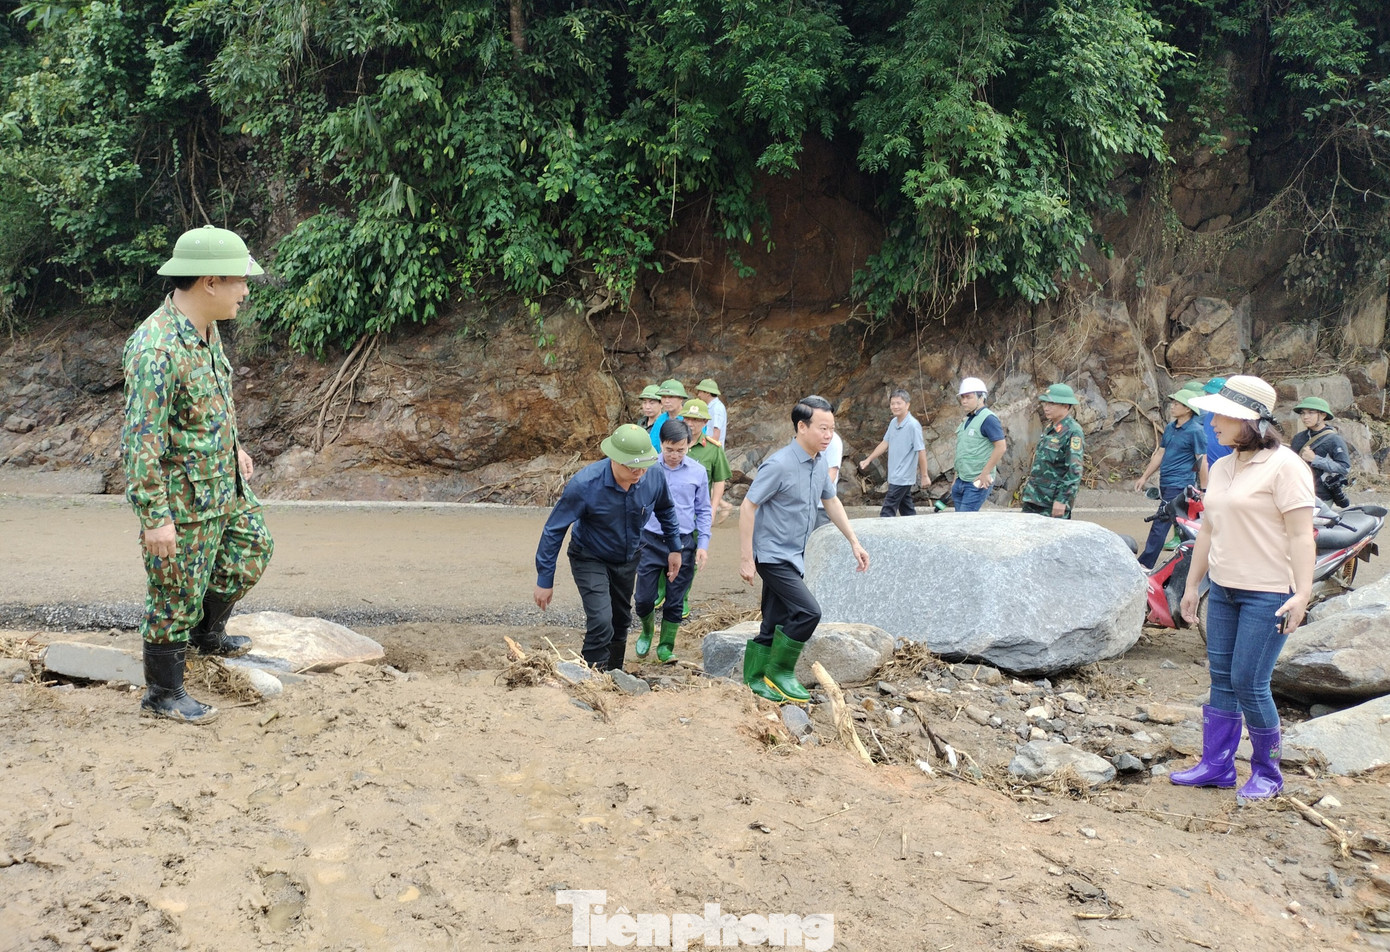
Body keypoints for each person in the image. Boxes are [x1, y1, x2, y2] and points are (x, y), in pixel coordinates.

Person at [123, 224, 275, 725]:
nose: (246, 291)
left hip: (220, 484)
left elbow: (207, 403)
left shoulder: (207, 333)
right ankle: (163, 693)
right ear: (210, 281)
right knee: (173, 593)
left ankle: (205, 636)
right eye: (240, 281)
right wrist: (155, 518)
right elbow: (142, 440)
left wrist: (234, 447)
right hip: (181, 501)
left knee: (252, 548)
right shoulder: (157, 348)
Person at [1176, 376, 1315, 800]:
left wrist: (1302, 593)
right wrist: (1192, 585)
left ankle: (1268, 773)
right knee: (1221, 678)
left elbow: (1301, 536)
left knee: (1249, 682)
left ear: (1249, 420)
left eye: (1221, 414)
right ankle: (1216, 766)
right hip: (1223, 590)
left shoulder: (1287, 466)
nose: (1212, 421)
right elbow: (1208, 530)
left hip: (1268, 593)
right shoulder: (1221, 466)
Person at [740, 396, 870, 704]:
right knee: (808, 612)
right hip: (772, 556)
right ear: (802, 426)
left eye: (832, 429)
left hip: (795, 555)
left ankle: (754, 680)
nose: (828, 435)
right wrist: (747, 558)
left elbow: (831, 500)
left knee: (773, 621)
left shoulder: (819, 461)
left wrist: (854, 541)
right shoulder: (780, 464)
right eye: (822, 428)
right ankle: (780, 671)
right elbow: (748, 506)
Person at [534, 424, 683, 671]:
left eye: (643, 464)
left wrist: (675, 548)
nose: (638, 472)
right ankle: (591, 675)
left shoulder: (653, 475)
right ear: (614, 458)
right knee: (602, 620)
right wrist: (544, 578)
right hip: (589, 556)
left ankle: (615, 672)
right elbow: (554, 529)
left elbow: (666, 509)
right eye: (631, 466)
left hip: (628, 557)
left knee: (621, 619)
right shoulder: (585, 484)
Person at [633, 419, 711, 662]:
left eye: (681, 450)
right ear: (660, 444)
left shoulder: (697, 472)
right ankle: (647, 631)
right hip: (651, 540)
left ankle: (666, 646)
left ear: (689, 445)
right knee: (643, 598)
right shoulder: (648, 468)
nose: (675, 455)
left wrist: (703, 545)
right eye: (669, 449)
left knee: (676, 599)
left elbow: (704, 510)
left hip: (684, 542)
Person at [1134, 386, 1209, 568]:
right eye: (1173, 403)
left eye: (1177, 404)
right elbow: (1160, 453)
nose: (1172, 406)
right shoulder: (1170, 427)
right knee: (1186, 525)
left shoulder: (1195, 431)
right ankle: (1193, 563)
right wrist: (1144, 477)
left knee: (1161, 522)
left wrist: (1205, 490)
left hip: (1181, 484)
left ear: (1187, 409)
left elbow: (1202, 461)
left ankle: (1145, 564)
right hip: (1166, 482)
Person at [857, 389, 929, 516]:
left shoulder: (913, 425)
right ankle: (915, 531)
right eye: (892, 403)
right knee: (907, 509)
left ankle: (880, 535)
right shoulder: (893, 423)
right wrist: (868, 459)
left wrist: (924, 475)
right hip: (894, 475)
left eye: (899, 403)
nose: (895, 406)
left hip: (902, 476)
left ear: (907, 404)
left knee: (887, 511)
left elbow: (921, 450)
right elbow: (885, 443)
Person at [1021, 384, 1084, 518]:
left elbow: (1074, 471)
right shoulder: (1051, 428)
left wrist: (1062, 500)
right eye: (1045, 403)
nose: (1046, 407)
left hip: (1051, 502)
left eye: (1052, 404)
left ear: (1066, 406)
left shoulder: (1073, 431)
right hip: (1034, 497)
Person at [951, 376, 1007, 512]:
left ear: (981, 397)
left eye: (968, 397)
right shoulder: (968, 419)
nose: (964, 401)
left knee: (964, 522)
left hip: (976, 480)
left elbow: (1001, 447)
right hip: (961, 479)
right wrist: (955, 478)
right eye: (962, 397)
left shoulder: (988, 419)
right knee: (959, 521)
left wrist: (985, 473)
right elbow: (962, 451)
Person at [1289, 396, 1352, 507]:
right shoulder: (1298, 438)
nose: (1305, 417)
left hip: (1321, 497)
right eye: (1303, 413)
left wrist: (1315, 459)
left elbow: (1344, 468)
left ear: (1323, 415)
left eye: (1311, 413)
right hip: (1297, 493)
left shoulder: (1334, 440)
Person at [1200, 377, 1233, 469]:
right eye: (1207, 393)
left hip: (1229, 469)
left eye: (1211, 394)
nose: (1207, 396)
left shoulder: (1232, 418)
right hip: (1210, 469)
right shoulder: (1208, 415)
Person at [815, 426, 844, 530]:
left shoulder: (833, 441)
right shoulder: (809, 439)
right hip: (803, 505)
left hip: (821, 505)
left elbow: (832, 473)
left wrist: (813, 494)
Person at [649, 379, 690, 449]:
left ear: (681, 398)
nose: (666, 401)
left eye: (671, 397)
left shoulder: (690, 419)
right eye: (663, 397)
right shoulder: (660, 419)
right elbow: (652, 445)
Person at [696, 378, 727, 446]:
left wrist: (708, 450)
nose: (699, 395)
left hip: (712, 450)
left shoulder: (717, 408)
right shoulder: (711, 407)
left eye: (700, 392)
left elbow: (716, 434)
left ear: (707, 393)